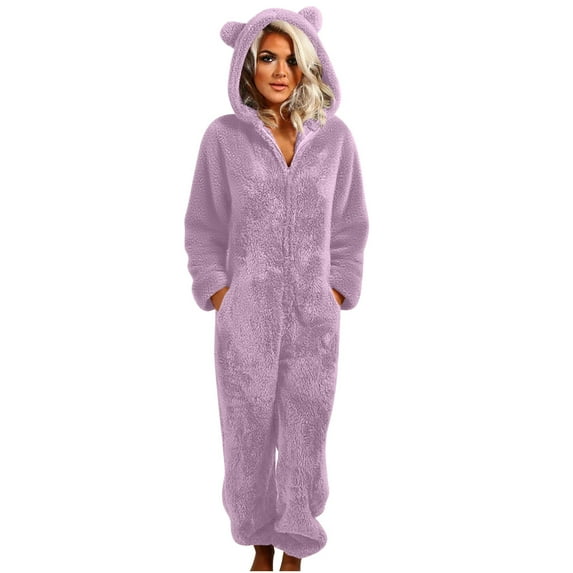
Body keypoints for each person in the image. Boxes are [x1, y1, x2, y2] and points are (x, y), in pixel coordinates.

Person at [184, 7, 369, 571]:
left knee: (306, 434)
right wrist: (222, 294)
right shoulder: (223, 138)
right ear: (248, 65)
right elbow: (204, 227)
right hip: (246, 319)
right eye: (268, 58)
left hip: (314, 320)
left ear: (310, 64)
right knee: (246, 433)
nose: (281, 71)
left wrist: (337, 289)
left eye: (292, 59)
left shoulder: (334, 140)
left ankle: (295, 542)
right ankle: (257, 539)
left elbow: (350, 225)